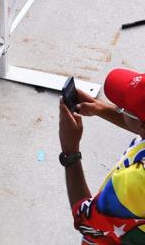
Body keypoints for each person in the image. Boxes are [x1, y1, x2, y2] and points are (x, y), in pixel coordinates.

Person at [59, 68, 145, 244]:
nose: (120, 108)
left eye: (124, 108)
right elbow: (139, 125)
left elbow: (86, 221)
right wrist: (100, 108)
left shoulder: (133, 182)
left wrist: (70, 151)